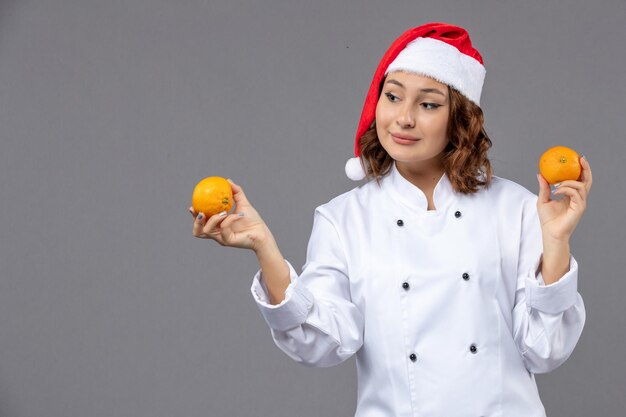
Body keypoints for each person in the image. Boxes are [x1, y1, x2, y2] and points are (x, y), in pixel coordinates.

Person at [190, 22, 593, 417]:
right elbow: (321, 343)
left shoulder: (516, 208)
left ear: (460, 119)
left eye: (429, 104)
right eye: (393, 96)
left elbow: (544, 351)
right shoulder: (343, 219)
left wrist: (556, 243)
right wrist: (265, 248)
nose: (404, 118)